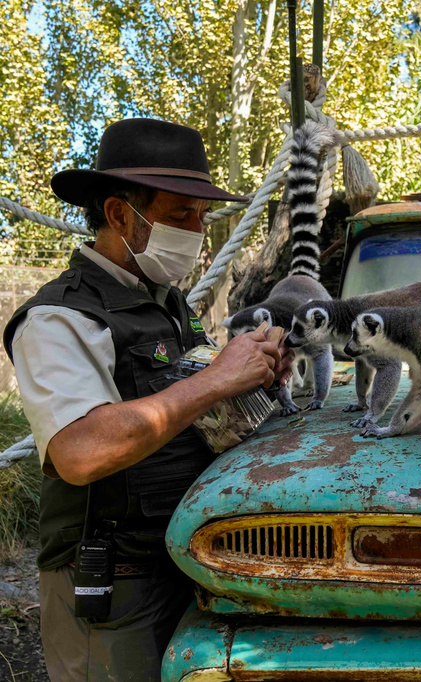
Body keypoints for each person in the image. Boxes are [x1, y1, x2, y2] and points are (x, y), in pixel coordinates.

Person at [2, 118, 292, 681]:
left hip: (185, 562)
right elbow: (81, 452)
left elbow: (198, 410)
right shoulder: (59, 319)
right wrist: (215, 380)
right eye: (181, 215)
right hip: (115, 587)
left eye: (203, 217)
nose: (197, 231)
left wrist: (252, 374)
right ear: (119, 215)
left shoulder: (168, 304)